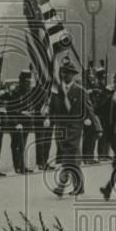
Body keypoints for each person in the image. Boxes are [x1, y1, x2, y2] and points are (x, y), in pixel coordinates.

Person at [51, 59, 85, 197]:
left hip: (74, 129)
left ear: (73, 75)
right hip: (61, 129)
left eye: (67, 73)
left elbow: (87, 109)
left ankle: (61, 185)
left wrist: (96, 126)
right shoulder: (57, 91)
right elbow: (53, 108)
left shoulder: (79, 90)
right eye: (63, 72)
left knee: (68, 157)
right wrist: (49, 118)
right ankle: (79, 186)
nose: (65, 75)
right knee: (72, 158)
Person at [6, 68, 36, 175]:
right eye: (26, 80)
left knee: (23, 145)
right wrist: (16, 122)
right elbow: (11, 109)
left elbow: (30, 106)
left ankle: (22, 165)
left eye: (29, 80)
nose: (28, 82)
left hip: (26, 123)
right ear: (21, 81)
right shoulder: (15, 92)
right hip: (17, 123)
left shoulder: (28, 92)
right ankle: (18, 166)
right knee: (16, 145)